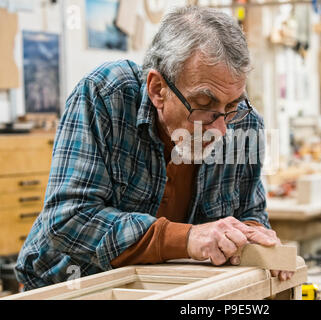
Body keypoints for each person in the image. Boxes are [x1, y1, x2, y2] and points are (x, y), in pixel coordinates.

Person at [15, 6, 293, 291]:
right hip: (69, 286)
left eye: (232, 106)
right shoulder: (105, 96)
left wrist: (255, 236)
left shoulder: (243, 124)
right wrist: (187, 238)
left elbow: (250, 212)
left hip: (166, 289)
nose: (221, 130)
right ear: (158, 89)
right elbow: (68, 219)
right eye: (204, 105)